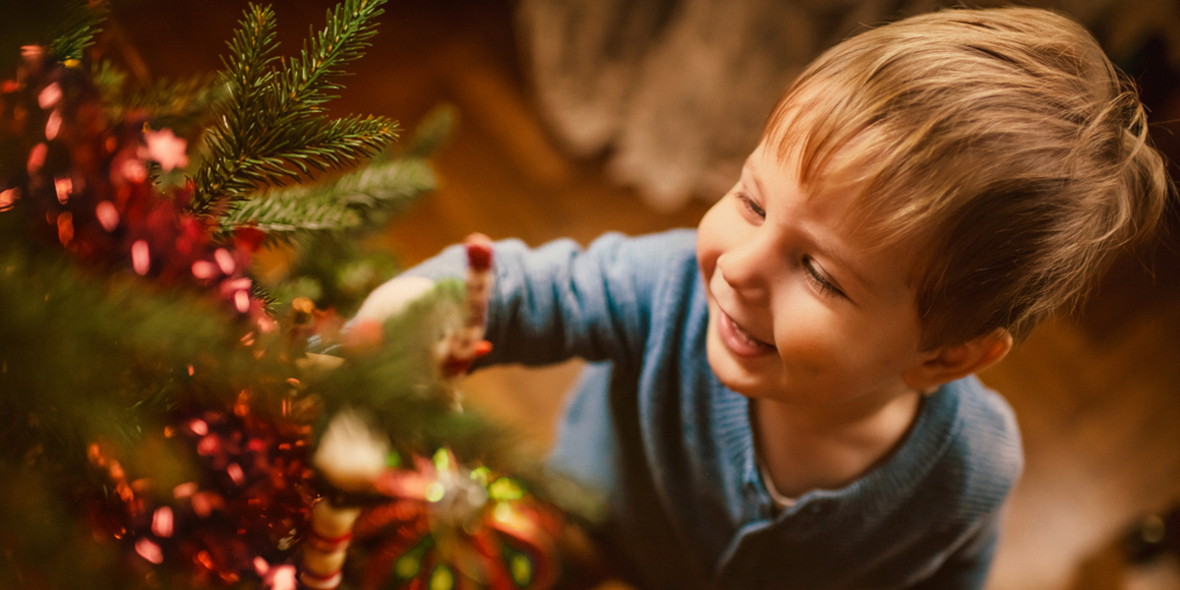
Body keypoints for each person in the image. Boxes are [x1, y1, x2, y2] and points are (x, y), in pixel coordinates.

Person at [351, 7, 1170, 589]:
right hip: (572, 528)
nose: (738, 268)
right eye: (751, 199)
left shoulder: (974, 469)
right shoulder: (667, 289)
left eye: (819, 273)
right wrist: (391, 327)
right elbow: (523, 290)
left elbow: (952, 573)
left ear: (947, 354)